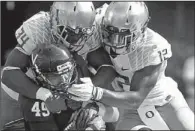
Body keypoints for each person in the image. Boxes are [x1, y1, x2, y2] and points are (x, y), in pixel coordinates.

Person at [67, 2, 195, 130]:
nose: (113, 42)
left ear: (141, 30)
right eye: (109, 34)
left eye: (122, 37)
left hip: (163, 102)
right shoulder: (98, 21)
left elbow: (136, 98)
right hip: (129, 111)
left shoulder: (152, 47)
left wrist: (94, 93)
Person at [2, 44, 119, 131]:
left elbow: (115, 115)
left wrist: (95, 109)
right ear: (40, 78)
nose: (64, 80)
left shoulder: (81, 77)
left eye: (66, 72)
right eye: (55, 76)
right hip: (44, 123)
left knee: (96, 123)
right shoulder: (33, 99)